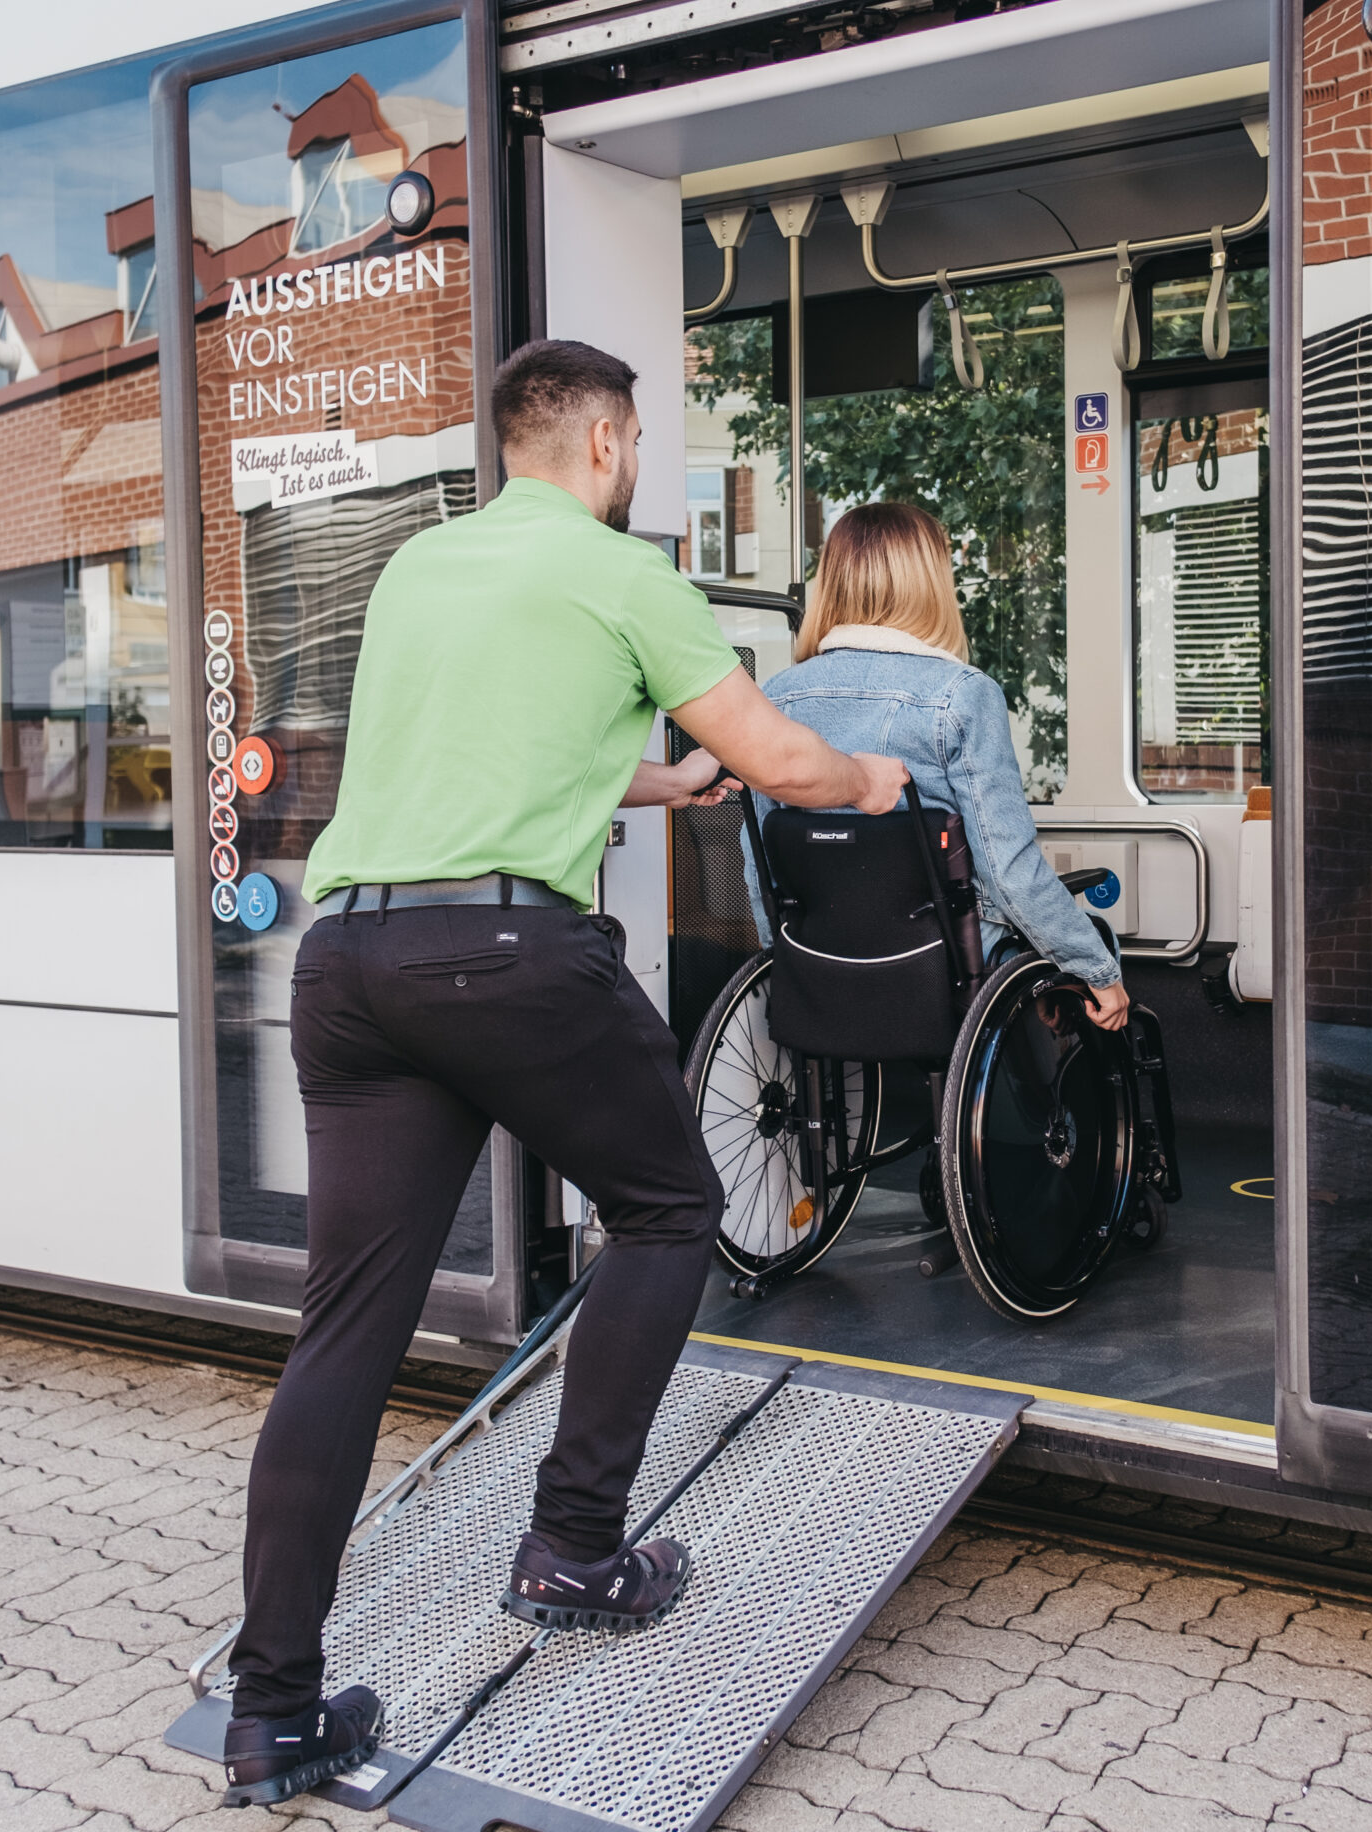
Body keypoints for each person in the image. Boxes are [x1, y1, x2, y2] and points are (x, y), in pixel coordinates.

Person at [218, 340, 908, 1809]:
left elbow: (476, 760)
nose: (637, 462)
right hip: (506, 962)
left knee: (344, 1330)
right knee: (669, 1207)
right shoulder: (622, 570)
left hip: (350, 965)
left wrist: (652, 781)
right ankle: (576, 1548)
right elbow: (784, 757)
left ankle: (273, 1711)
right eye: (640, 440)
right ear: (601, 446)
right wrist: (868, 783)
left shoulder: (420, 568)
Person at [750, 502, 1127, 1029]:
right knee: (1093, 944)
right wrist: (1096, 967)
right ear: (931, 584)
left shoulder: (774, 699)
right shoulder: (962, 696)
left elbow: (760, 864)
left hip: (819, 957)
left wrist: (783, 952)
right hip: (942, 961)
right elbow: (1008, 871)